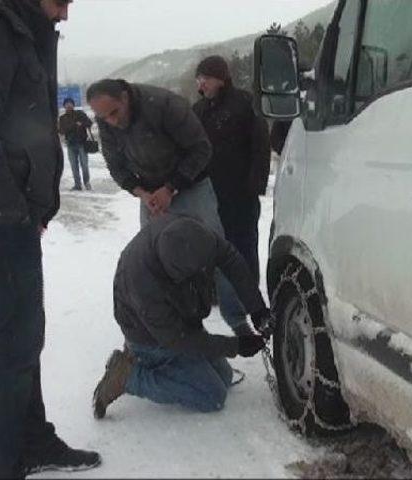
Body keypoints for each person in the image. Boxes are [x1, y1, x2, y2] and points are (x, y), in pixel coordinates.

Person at [0, 0, 101, 477]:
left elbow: (26, 124)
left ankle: (31, 439)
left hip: (2, 213)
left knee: (23, 335)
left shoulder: (17, 33)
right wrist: (13, 211)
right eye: (62, 1)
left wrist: (33, 204)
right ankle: (3, 465)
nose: (66, 14)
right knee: (14, 338)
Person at [87, 79, 256, 336]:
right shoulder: (105, 122)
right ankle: (174, 328)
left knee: (216, 250)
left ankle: (237, 320)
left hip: (191, 185)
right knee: (153, 260)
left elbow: (201, 149)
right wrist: (142, 193)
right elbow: (116, 166)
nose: (111, 121)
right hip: (150, 193)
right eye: (103, 117)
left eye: (114, 113)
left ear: (124, 97)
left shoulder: (165, 105)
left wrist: (171, 187)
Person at [92, 213, 273, 417]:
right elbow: (178, 340)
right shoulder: (144, 284)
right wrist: (236, 346)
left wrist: (257, 309)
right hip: (149, 336)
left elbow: (231, 260)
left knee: (224, 376)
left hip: (182, 318)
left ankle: (159, 367)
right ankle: (129, 377)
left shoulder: (196, 235)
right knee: (212, 395)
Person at [193, 55, 271, 325]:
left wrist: (256, 183)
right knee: (215, 244)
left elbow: (261, 145)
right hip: (210, 194)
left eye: (204, 79)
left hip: (241, 192)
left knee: (244, 244)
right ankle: (218, 292)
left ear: (220, 78)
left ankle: (249, 295)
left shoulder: (245, 104)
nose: (200, 84)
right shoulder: (199, 110)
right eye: (198, 80)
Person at [58, 97, 93, 191]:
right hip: (70, 144)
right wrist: (74, 125)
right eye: (67, 104)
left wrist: (81, 124)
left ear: (73, 105)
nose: (69, 105)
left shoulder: (80, 114)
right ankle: (77, 184)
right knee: (74, 166)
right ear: (64, 106)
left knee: (84, 164)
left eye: (70, 103)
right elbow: (61, 131)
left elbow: (89, 123)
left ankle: (87, 182)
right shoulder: (62, 118)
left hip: (82, 143)